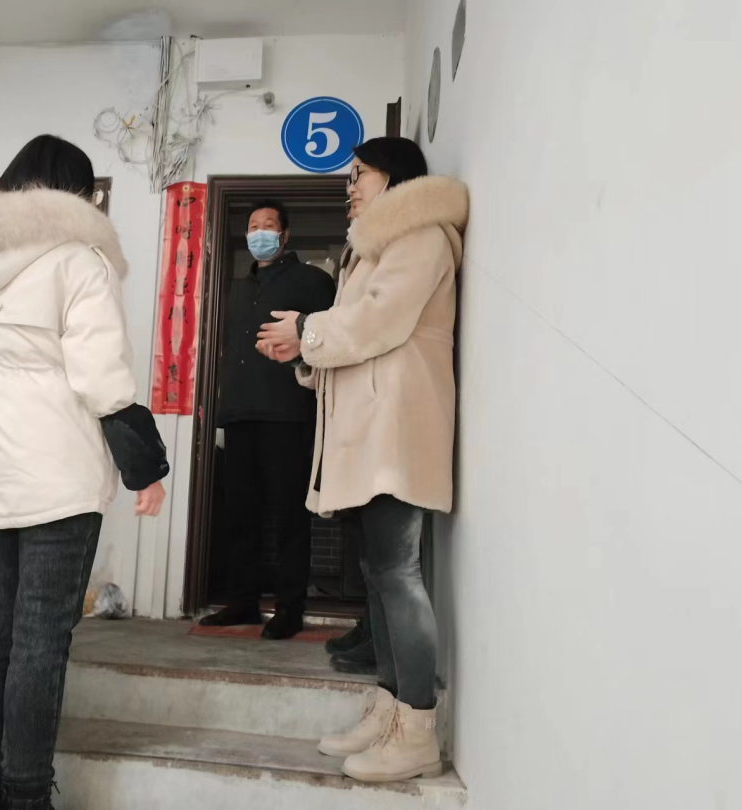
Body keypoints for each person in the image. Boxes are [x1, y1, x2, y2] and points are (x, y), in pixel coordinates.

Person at [0, 135, 170, 809]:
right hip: (58, 464)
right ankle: (26, 793)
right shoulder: (78, 259)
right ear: (78, 195)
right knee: (40, 635)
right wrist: (145, 467)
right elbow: (101, 376)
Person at [256, 137, 468, 782]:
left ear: (393, 177)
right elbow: (354, 335)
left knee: (397, 572)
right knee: (378, 574)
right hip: (370, 429)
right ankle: (389, 708)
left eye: (359, 174)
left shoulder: (419, 235)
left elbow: (380, 321)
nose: (349, 187)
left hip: (396, 427)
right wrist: (304, 348)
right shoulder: (373, 247)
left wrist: (307, 331)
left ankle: (417, 729)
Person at [201, 201, 336, 640]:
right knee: (239, 514)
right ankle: (242, 602)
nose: (259, 232)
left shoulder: (312, 282)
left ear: (285, 235)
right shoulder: (241, 287)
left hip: (288, 415)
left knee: (290, 516)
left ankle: (290, 608)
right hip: (239, 414)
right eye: (253, 226)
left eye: (268, 225)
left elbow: (329, 341)